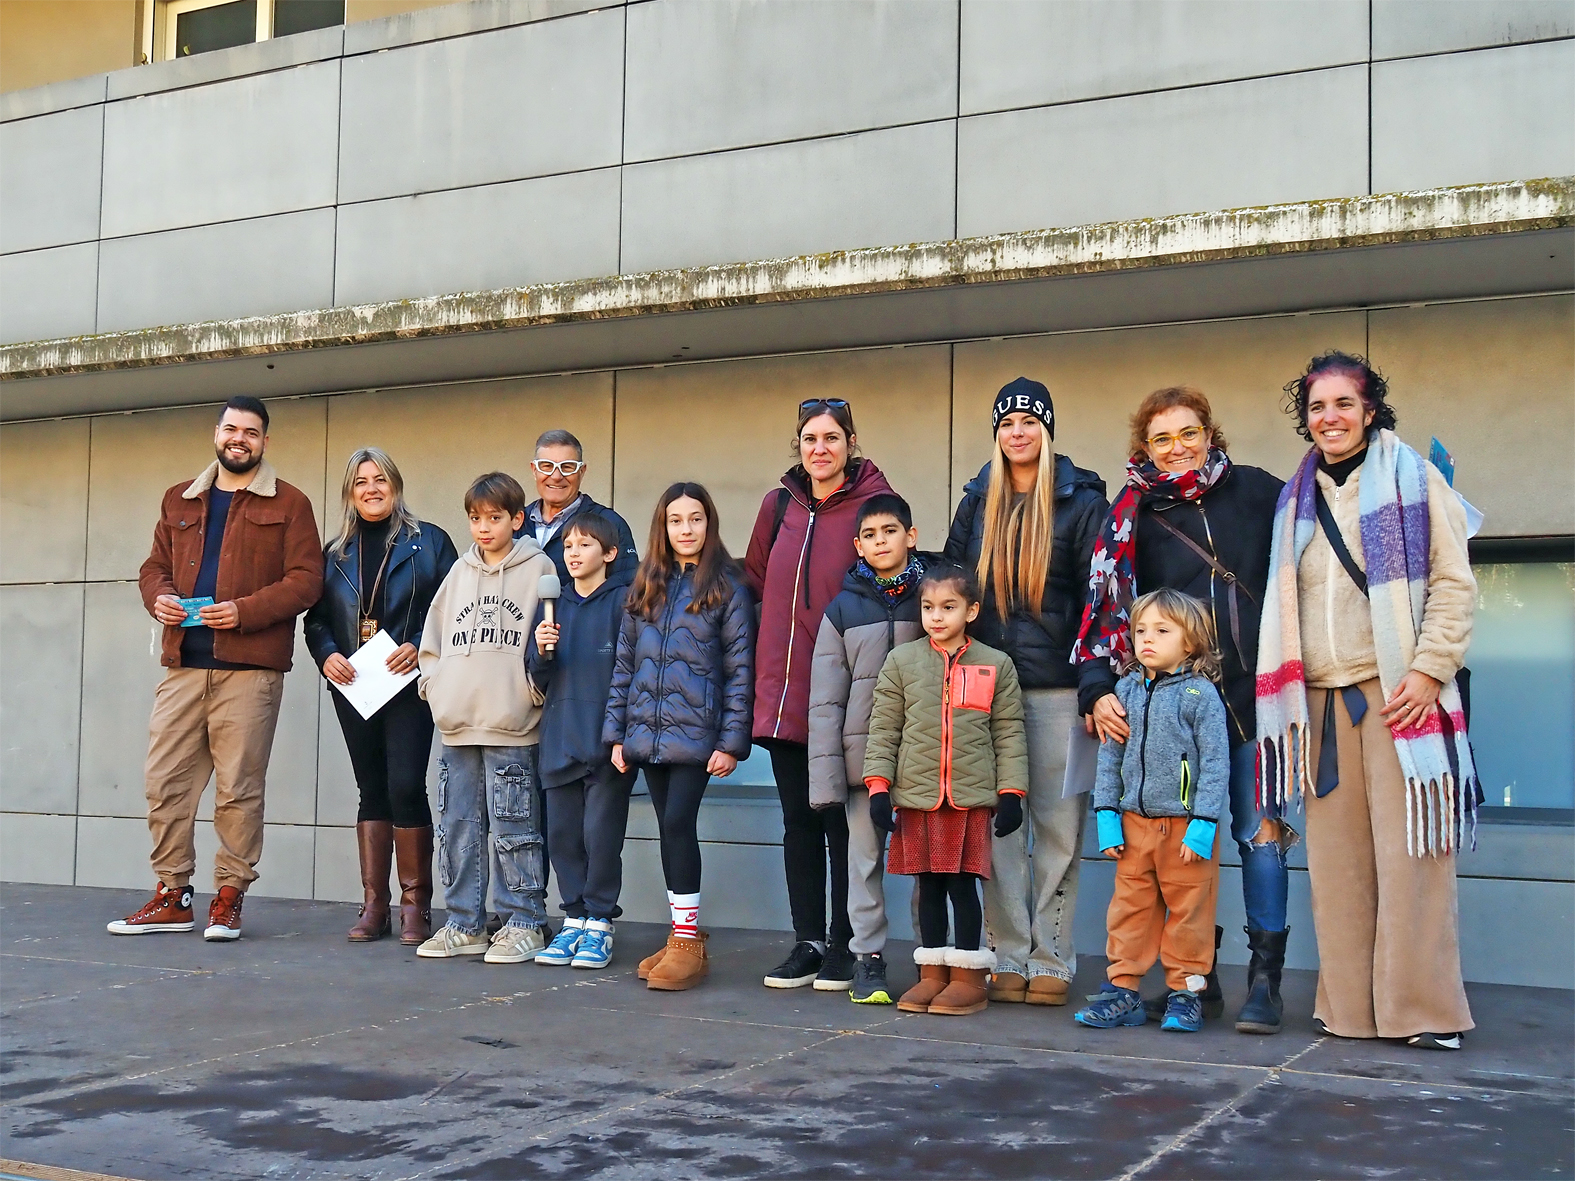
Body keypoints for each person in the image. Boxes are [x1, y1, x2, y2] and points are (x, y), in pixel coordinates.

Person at [1257, 352, 1478, 1051]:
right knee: (1339, 864)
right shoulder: (1294, 496)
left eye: (1343, 404)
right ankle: (1349, 1007)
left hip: (1398, 696)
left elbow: (1452, 583)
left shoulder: (1411, 477)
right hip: (1317, 704)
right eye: (1317, 406)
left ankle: (1421, 1009)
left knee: (1413, 856)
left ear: (1368, 408)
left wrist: (1427, 668)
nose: (1329, 417)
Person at [1073, 386, 1289, 1033]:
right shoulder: (1131, 514)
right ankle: (1194, 981)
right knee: (1174, 856)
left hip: (1251, 701)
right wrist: (1095, 688)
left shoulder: (1256, 491)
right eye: (1161, 437)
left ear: (1209, 433)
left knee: (1260, 838)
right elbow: (1107, 612)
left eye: (1187, 432)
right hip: (1168, 713)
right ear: (1145, 446)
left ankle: (1263, 983)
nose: (1176, 447)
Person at [110, 397, 323, 941]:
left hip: (249, 669)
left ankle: (228, 897)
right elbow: (153, 567)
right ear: (217, 433)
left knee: (238, 788)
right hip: (183, 664)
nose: (239, 439)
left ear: (264, 442)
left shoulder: (291, 502)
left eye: (251, 432)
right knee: (164, 783)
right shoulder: (178, 498)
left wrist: (244, 611)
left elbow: (306, 580)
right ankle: (173, 894)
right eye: (232, 429)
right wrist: (157, 597)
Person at [944, 377, 1108, 1005]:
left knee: (1059, 830)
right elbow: (953, 588)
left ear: (1046, 429)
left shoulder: (1081, 499)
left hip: (1058, 690)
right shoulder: (975, 501)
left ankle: (1052, 960)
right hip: (984, 688)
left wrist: (1096, 685)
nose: (1017, 433)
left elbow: (1102, 598)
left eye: (1029, 422)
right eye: (1006, 423)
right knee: (998, 831)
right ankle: (1007, 953)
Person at [745, 398, 894, 992]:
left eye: (832, 437)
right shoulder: (777, 504)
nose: (820, 448)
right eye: (809, 438)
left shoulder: (873, 505)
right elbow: (756, 580)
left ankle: (844, 944)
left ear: (850, 443)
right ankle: (806, 940)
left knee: (841, 825)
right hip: (782, 696)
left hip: (843, 697)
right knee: (797, 823)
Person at [305, 448, 458, 945]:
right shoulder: (333, 554)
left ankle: (416, 904)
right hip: (353, 684)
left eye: (380, 480)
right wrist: (326, 653)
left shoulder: (430, 542)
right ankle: (375, 905)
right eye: (360, 482)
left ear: (395, 484)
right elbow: (317, 620)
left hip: (408, 683)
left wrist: (420, 642)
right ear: (350, 492)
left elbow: (454, 607)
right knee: (371, 788)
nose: (371, 489)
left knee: (406, 785)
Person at [604, 482, 754, 992]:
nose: (685, 529)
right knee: (669, 830)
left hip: (698, 736)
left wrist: (732, 743)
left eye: (695, 519)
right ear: (662, 527)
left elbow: (740, 669)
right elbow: (624, 666)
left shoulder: (728, 586)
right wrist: (617, 735)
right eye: (675, 520)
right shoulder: (646, 584)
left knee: (677, 823)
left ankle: (687, 941)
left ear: (709, 524)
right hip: (647, 734)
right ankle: (681, 935)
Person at [861, 564, 1028, 1017]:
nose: (937, 616)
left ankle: (968, 977)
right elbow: (884, 730)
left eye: (949, 607)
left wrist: (1011, 793)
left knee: (963, 885)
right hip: (918, 798)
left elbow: (1009, 733)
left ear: (971, 611)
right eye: (928, 607)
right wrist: (879, 788)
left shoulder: (996, 664)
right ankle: (932, 973)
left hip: (970, 801)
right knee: (928, 887)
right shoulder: (902, 662)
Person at [414, 472, 556, 965]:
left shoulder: (540, 569)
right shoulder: (458, 573)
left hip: (514, 724)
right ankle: (463, 923)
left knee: (516, 824)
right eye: (475, 519)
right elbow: (430, 641)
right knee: (457, 826)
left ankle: (523, 921)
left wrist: (532, 692)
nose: (483, 528)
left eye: (495, 518)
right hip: (457, 725)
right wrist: (436, 689)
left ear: (518, 519)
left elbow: (551, 642)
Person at [1075, 589, 1230, 1034]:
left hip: (1185, 829)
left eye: (1162, 631)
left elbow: (1216, 763)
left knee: (1189, 914)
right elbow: (1110, 756)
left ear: (1191, 641)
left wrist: (1203, 823)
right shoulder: (1125, 688)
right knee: (1129, 910)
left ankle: (1187, 994)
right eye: (1141, 630)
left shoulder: (1200, 695)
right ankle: (1123, 991)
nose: (1147, 639)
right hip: (1132, 825)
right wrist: (1106, 814)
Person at [807, 493, 928, 1004]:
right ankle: (869, 958)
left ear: (911, 536)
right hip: (862, 768)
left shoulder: (934, 599)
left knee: (931, 863)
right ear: (858, 545)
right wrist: (827, 780)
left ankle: (935, 957)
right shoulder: (842, 609)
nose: (882, 542)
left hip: (925, 762)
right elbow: (825, 701)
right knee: (863, 864)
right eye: (871, 536)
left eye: (891, 532)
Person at [526, 512, 638, 969]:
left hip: (607, 742)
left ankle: (599, 923)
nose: (573, 553)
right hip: (559, 736)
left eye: (585, 545)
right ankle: (573, 918)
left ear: (610, 554)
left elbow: (633, 674)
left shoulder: (626, 603)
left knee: (601, 835)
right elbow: (538, 676)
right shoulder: (554, 605)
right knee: (564, 835)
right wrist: (540, 649)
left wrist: (622, 737)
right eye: (568, 546)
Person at [517, 429, 639, 583]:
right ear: (534, 470)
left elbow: (628, 593)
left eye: (567, 467)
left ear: (582, 472)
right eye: (547, 466)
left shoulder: (611, 524)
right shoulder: (515, 524)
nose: (556, 476)